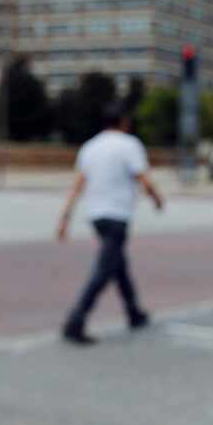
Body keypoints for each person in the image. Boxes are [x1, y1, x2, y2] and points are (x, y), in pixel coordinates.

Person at [56, 103, 164, 346]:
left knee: (118, 264)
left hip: (96, 216)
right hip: (117, 216)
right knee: (105, 269)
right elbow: (143, 178)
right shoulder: (129, 145)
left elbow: (78, 185)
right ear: (123, 122)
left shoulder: (90, 147)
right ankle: (76, 319)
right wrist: (157, 198)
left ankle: (134, 312)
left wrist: (65, 218)